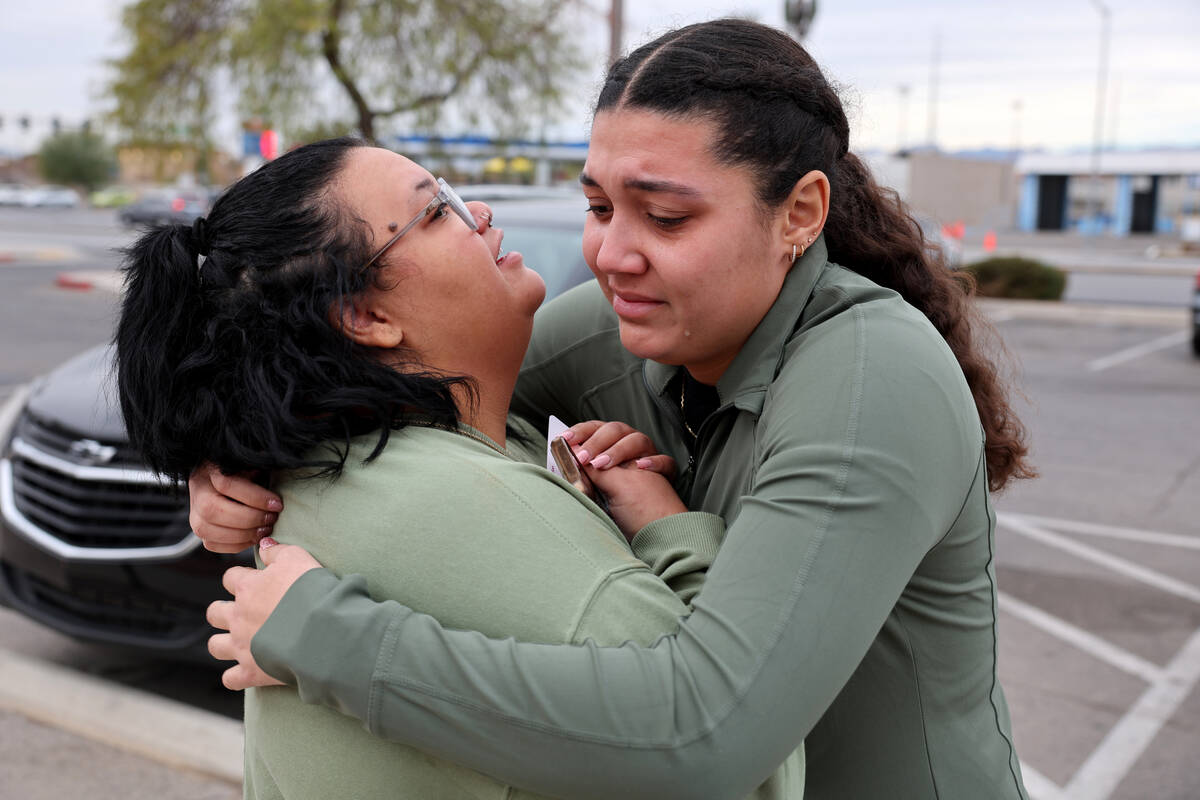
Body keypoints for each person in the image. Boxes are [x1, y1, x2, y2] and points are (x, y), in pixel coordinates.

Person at [194, 18, 1034, 800]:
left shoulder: (870, 378)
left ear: (800, 214)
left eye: (665, 217)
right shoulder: (622, 323)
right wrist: (234, 465)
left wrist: (325, 638)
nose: (610, 254)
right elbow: (417, 391)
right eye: (598, 207)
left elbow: (710, 731)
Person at [116, 137, 804, 799]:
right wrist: (669, 530)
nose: (479, 214)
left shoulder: (347, 461)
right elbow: (750, 767)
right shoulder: (459, 507)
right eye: (436, 209)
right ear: (365, 315)